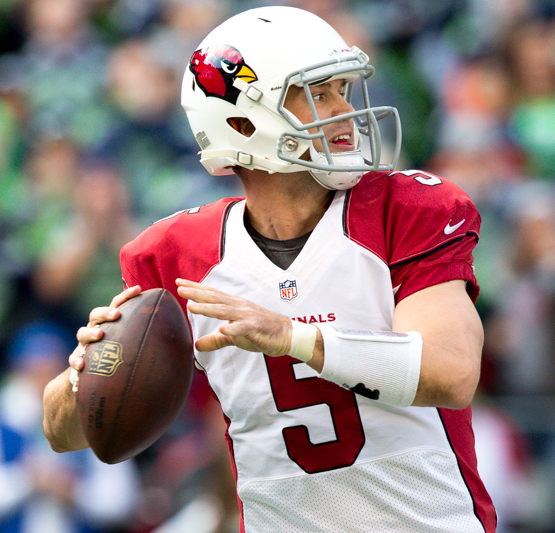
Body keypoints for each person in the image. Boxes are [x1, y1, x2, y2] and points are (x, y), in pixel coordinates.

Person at [41, 6, 496, 533]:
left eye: (343, 90)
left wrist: (293, 337)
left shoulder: (403, 210)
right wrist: (91, 367)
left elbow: (452, 371)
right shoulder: (177, 255)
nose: (344, 111)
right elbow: (63, 430)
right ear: (242, 121)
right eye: (319, 94)